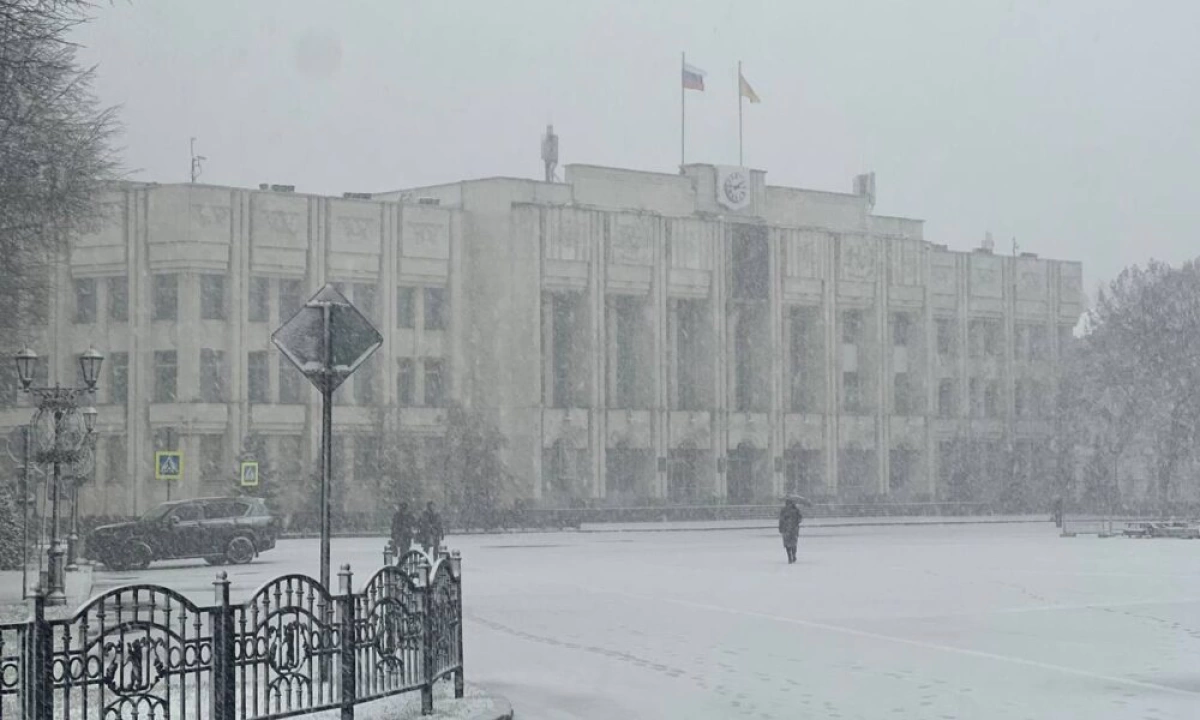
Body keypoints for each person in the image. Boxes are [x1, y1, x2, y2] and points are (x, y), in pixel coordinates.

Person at [778, 499, 803, 564]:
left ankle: (790, 556)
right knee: (793, 543)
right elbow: (800, 518)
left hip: (786, 529)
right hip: (794, 529)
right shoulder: (796, 509)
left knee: (787, 544)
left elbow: (781, 519)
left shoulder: (784, 510)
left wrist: (781, 527)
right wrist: (796, 522)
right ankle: (793, 555)